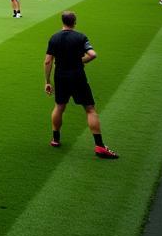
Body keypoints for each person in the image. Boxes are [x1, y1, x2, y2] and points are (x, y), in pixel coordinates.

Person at [44, 10, 119, 158]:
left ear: (62, 22)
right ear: (74, 22)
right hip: (77, 75)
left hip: (60, 76)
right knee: (90, 109)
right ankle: (99, 146)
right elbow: (93, 54)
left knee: (59, 106)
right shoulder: (80, 37)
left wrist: (47, 82)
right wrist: (80, 61)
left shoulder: (54, 38)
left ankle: (55, 139)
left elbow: (48, 61)